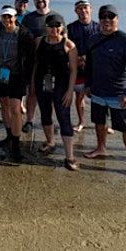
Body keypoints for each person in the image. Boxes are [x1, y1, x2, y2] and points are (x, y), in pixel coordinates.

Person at [83, 4, 126, 182]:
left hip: (119, 95)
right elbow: (89, 65)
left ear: (117, 19)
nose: (107, 21)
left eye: (111, 17)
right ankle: (100, 147)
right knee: (99, 122)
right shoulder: (93, 39)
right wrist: (88, 84)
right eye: (103, 17)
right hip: (97, 91)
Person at [33, 14, 79, 170]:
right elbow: (36, 63)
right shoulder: (39, 41)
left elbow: (73, 70)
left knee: (63, 116)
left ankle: (70, 157)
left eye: (58, 26)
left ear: (62, 27)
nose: (54, 29)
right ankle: (50, 141)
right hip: (43, 81)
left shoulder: (69, 45)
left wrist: (70, 90)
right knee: (45, 113)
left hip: (61, 84)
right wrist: (33, 83)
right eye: (51, 26)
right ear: (46, 27)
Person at [0, 7, 35, 161]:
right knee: (4, 104)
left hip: (17, 75)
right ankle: (9, 135)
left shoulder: (24, 34)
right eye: (4, 17)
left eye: (10, 17)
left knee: (16, 108)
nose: (7, 20)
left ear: (15, 17)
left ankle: (16, 143)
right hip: (1, 73)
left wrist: (28, 78)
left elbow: (30, 58)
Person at [21, 0, 63, 135]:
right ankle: (29, 120)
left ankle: (49, 121)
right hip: (32, 62)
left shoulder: (57, 16)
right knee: (31, 91)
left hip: (50, 65)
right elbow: (23, 38)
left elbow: (64, 40)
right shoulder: (28, 18)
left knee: (49, 92)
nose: (40, 0)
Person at [66, 0, 100, 132]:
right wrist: (77, 59)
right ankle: (81, 121)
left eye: (85, 7)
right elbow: (66, 47)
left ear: (91, 9)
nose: (83, 10)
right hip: (77, 68)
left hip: (95, 68)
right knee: (79, 96)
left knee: (100, 97)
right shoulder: (71, 27)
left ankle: (104, 124)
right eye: (79, 8)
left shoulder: (98, 27)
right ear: (75, 11)